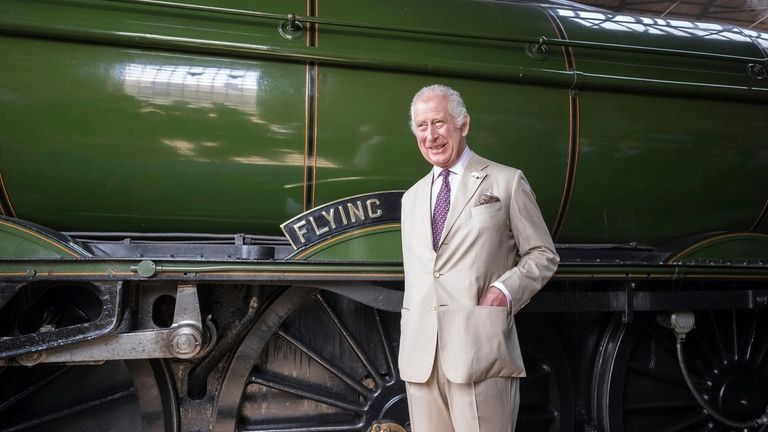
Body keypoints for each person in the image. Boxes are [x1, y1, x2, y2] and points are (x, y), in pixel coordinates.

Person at [399, 84, 559, 432]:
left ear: (463, 124)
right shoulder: (410, 199)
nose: (431, 135)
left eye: (439, 122)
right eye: (421, 126)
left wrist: (504, 290)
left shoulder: (506, 181)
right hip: (421, 358)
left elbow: (543, 254)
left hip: (480, 351)